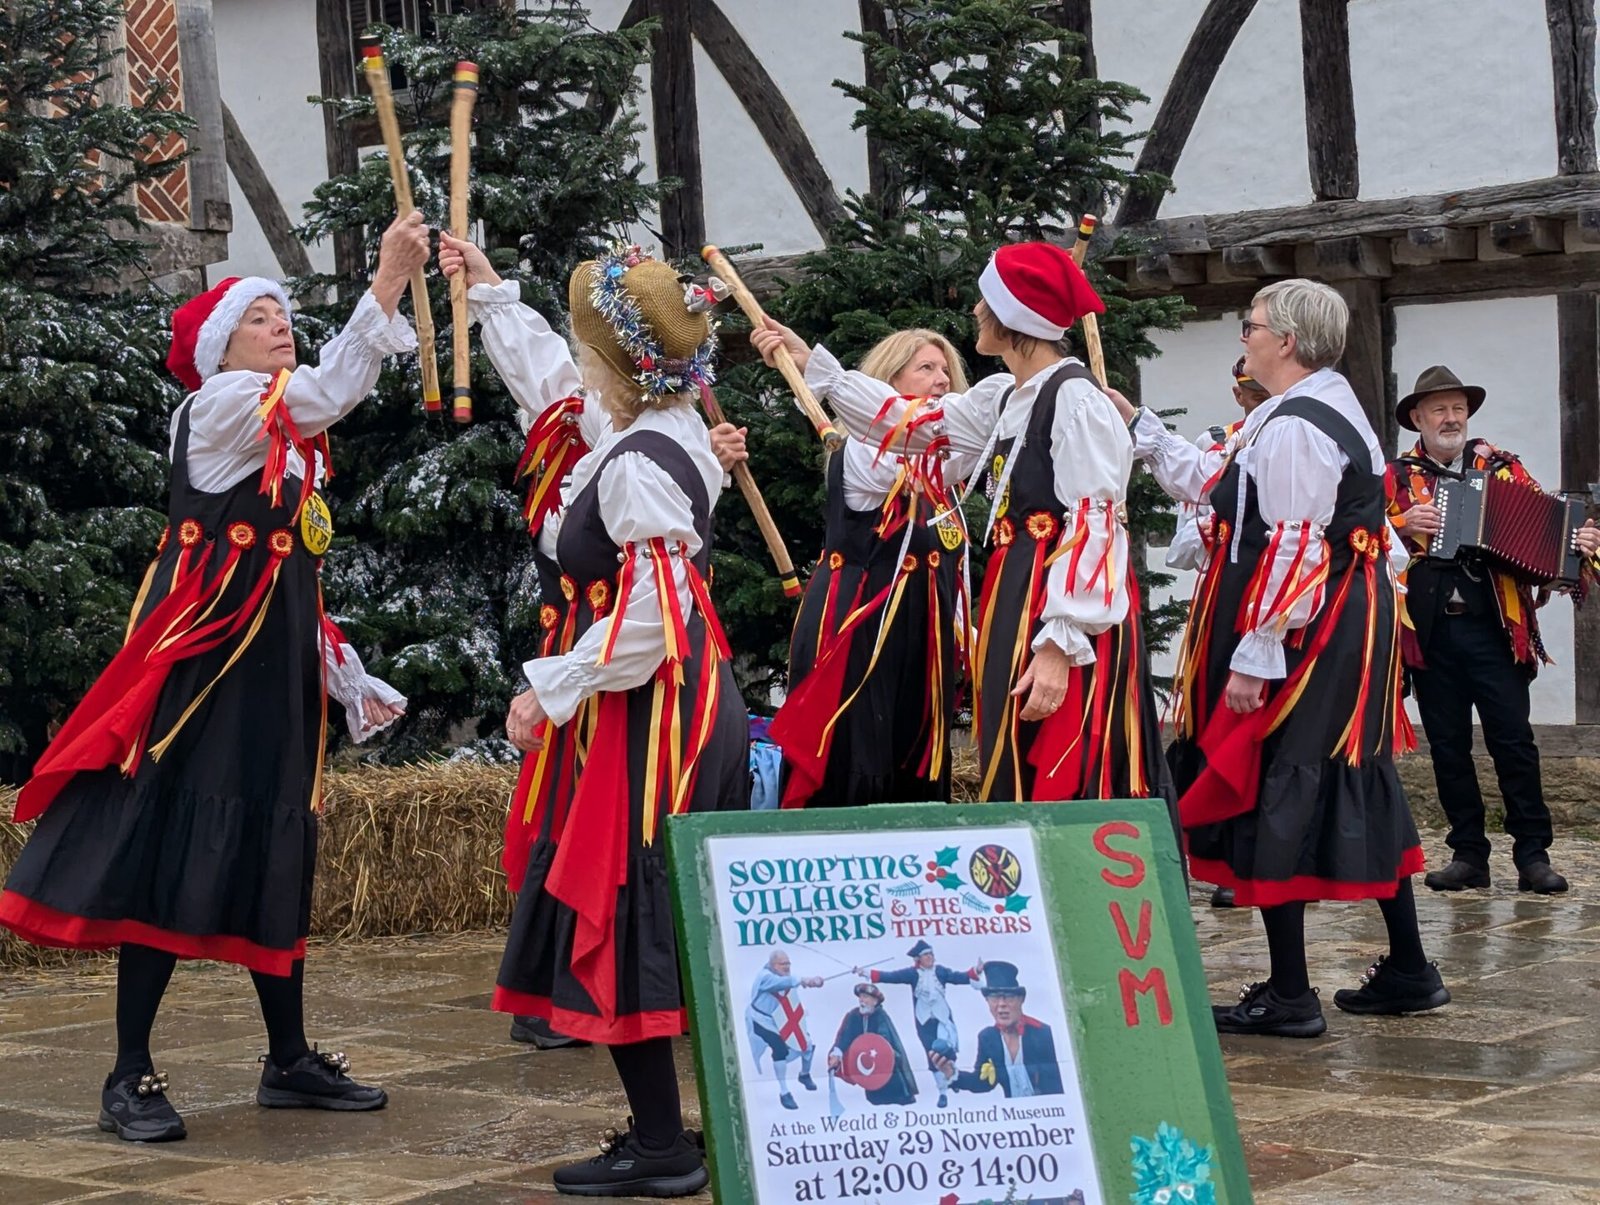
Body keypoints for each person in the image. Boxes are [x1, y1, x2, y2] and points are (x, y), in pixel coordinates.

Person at [0, 212, 430, 1141]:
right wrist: (387, 282)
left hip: (271, 667)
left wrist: (338, 666)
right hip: (203, 669)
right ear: (220, 348)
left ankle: (288, 1058)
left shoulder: (281, 433)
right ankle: (128, 1073)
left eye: (283, 315)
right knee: (168, 837)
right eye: (258, 318)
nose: (280, 326)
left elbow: (284, 565)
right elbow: (331, 388)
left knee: (277, 839)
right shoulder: (223, 405)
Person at [443, 236, 748, 1197]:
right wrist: (493, 294)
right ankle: (671, 1132)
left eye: (588, 347)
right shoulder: (657, 429)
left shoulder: (633, 464)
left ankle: (662, 1146)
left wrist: (556, 684)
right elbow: (548, 380)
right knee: (646, 904)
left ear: (614, 363)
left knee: (623, 900)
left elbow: (657, 609)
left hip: (649, 712)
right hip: (673, 695)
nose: (576, 362)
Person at [1111, 279, 1447, 1038]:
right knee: (1337, 770)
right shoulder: (1299, 409)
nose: (1245, 336)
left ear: (1287, 340)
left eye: (1252, 325)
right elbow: (1221, 487)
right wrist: (1142, 427)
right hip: (1329, 614)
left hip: (1308, 624)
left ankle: (1292, 994)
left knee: (1277, 774)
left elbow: (1296, 543)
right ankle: (1408, 968)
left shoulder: (1297, 424)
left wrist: (1254, 654)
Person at [752, 242, 1172, 817]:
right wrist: (814, 366)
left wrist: (1059, 645)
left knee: (1060, 756)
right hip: (1017, 593)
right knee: (1011, 746)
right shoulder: (1005, 397)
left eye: (985, 301)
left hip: (1056, 605)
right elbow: (914, 426)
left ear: (1013, 318)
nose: (975, 311)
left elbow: (1096, 525)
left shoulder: (1076, 400)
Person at [1386, 366, 1600, 895]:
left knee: (1514, 742)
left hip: (1496, 631)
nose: (1451, 418)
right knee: (1448, 747)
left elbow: (1548, 533)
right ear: (1418, 419)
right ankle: (1468, 855)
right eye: (1439, 410)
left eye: (1458, 409)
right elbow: (1362, 539)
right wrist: (1399, 525)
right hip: (1430, 633)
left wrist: (1577, 545)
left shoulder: (1502, 468)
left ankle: (1533, 855)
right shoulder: (1396, 478)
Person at [765, 329, 970, 808]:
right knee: (857, 747)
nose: (942, 379)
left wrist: (964, 631)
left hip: (922, 640)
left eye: (945, 370)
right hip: (859, 630)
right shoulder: (865, 449)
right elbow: (897, 451)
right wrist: (821, 370)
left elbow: (951, 564)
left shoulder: (942, 471)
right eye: (926, 368)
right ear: (888, 380)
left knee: (913, 758)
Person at [1164, 358, 1271, 910]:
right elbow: (1182, 549)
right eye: (1251, 391)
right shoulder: (1215, 447)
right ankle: (1224, 855)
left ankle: (1274, 855)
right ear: (1237, 394)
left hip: (1281, 598)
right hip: (1222, 600)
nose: (1258, 397)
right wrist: (1213, 527)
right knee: (1214, 719)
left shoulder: (1297, 433)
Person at [858, 940, 979, 1107]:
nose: (930, 957)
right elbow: (892, 977)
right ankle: (943, 1092)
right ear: (918, 959)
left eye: (931, 954)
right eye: (926, 955)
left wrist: (975, 971)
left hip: (943, 1020)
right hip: (924, 1022)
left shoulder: (941, 971)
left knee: (947, 1050)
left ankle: (953, 1079)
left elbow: (959, 977)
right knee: (933, 1055)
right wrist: (867, 973)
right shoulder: (912, 974)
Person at [931, 961, 1062, 1099]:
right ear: (987, 1001)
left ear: (1021, 999)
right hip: (1015, 1109)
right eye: (994, 998)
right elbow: (982, 1082)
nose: (1001, 1005)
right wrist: (951, 1073)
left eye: (1009, 997)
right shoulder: (988, 1038)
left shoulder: (1042, 1034)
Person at [747, 949, 823, 1110]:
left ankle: (804, 1075)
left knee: (807, 1043)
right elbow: (782, 983)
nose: (787, 966)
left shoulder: (785, 977)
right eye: (783, 964)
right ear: (773, 965)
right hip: (761, 1020)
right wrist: (805, 980)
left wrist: (808, 983)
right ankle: (784, 1092)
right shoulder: (765, 977)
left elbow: (790, 991)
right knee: (780, 1049)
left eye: (788, 963)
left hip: (780, 1019)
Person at [827, 981, 918, 1106]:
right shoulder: (854, 1016)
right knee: (875, 1100)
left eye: (865, 997)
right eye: (860, 997)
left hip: (886, 1064)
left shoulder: (880, 1016)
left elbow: (884, 1039)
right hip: (867, 1066)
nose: (861, 1000)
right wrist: (837, 1054)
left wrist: (875, 1048)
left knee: (897, 1095)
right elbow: (845, 1037)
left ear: (875, 1001)